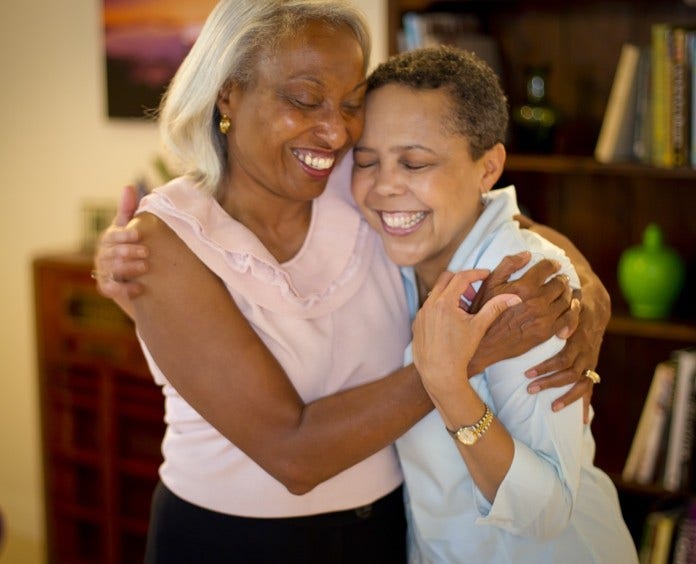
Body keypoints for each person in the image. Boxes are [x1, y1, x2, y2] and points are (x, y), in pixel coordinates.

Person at [92, 1, 610, 561]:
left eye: (350, 104)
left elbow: (472, 208)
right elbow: (294, 456)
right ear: (228, 92)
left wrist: (579, 281)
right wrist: (461, 358)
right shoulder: (165, 243)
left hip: (385, 532)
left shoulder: (347, 177)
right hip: (234, 541)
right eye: (305, 99)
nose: (335, 130)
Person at [349, 45, 637, 562]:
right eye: (366, 160)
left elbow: (546, 512)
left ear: (489, 167)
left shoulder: (526, 285)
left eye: (415, 162)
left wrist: (449, 387)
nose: (385, 185)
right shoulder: (391, 254)